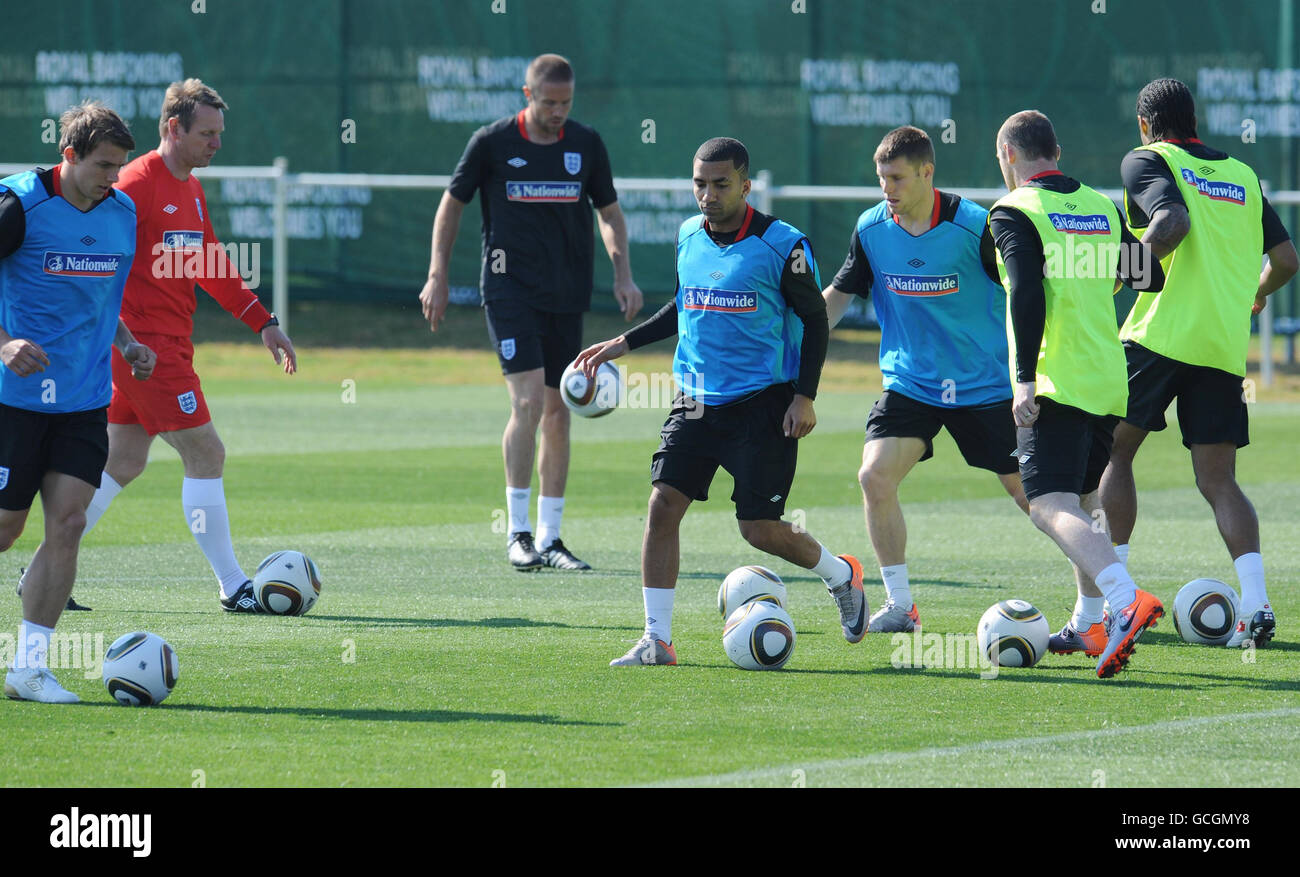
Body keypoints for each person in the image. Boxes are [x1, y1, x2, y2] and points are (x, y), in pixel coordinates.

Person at [574, 137, 866, 667]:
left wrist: (804, 396)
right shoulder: (688, 235)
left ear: (746, 185)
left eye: (720, 184)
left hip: (765, 403)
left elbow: (814, 321)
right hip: (696, 399)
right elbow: (684, 304)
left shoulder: (784, 245)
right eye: (699, 184)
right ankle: (656, 640)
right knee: (663, 506)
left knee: (760, 530)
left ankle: (841, 575)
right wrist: (624, 343)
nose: (707, 195)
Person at [33, 79, 298, 614]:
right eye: (207, 133)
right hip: (145, 353)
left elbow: (210, 264)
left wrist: (262, 320)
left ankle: (38, 571)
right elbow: (90, 256)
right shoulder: (133, 182)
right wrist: (114, 336)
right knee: (207, 453)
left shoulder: (190, 189)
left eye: (220, 133)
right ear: (173, 128)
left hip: (165, 347)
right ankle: (233, 585)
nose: (217, 144)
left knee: (124, 461)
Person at [418, 53, 643, 572]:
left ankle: (551, 537)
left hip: (567, 294)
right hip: (508, 290)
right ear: (528, 95)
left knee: (561, 408)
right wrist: (437, 275)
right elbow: (452, 205)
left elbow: (609, 214)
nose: (558, 111)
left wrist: (623, 273)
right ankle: (517, 534)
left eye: (566, 102)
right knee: (528, 405)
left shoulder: (586, 144)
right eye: (549, 102)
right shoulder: (492, 142)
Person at [1098, 78, 1298, 649]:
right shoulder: (1241, 173)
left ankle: (1121, 602)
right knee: (1219, 480)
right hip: (1222, 348)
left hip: (1158, 336)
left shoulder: (1147, 159)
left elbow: (1172, 223)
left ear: (1145, 124)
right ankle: (1257, 607)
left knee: (1114, 449)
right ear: (1195, 119)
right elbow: (1286, 260)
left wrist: (1119, 277)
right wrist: (1255, 295)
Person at [822, 125, 1028, 635]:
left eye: (896, 178)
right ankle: (901, 605)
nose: (886, 188)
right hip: (911, 383)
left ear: (926, 173)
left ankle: (1106, 593)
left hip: (985, 385)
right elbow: (839, 295)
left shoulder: (976, 226)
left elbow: (1024, 293)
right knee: (874, 477)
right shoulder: (872, 228)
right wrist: (792, 344)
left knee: (1039, 500)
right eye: (881, 178)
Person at [983, 110, 1166, 679]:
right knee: (1086, 503)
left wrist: (1022, 381)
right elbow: (1149, 275)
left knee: (1048, 507)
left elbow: (1027, 294)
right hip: (1107, 378)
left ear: (1009, 156)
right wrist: (1091, 271)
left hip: (1055, 379)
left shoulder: (1014, 211)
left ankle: (1123, 597)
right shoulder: (1100, 206)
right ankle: (1091, 621)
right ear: (1055, 150)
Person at [1, 102, 156, 702]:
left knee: (66, 523)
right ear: (68, 155)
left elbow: (103, 298)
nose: (114, 177)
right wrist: (5, 343)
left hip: (84, 399)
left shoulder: (121, 212)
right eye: (103, 165)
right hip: (12, 399)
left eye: (120, 166)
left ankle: (28, 668)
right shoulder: (18, 206)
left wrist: (129, 344)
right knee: (6, 528)